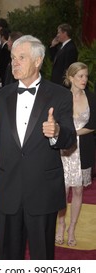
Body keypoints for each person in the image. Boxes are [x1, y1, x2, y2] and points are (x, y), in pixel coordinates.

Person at [0, 35, 76, 260]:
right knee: (8, 259)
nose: (14, 63)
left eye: (21, 57)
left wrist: (57, 132)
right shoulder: (0, 97)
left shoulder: (60, 95)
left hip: (42, 192)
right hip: (8, 189)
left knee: (42, 258)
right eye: (12, 58)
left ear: (38, 61)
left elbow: (70, 139)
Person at [55, 62, 96, 247]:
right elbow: (53, 123)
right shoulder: (60, 97)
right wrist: (65, 135)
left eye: (86, 76)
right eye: (80, 76)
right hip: (63, 150)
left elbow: (93, 125)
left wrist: (73, 133)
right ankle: (61, 225)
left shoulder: (92, 97)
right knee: (61, 191)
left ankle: (72, 227)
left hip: (83, 149)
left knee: (78, 190)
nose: (84, 80)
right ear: (70, 77)